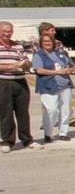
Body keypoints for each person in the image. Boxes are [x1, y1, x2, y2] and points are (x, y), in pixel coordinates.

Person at [0, 20, 38, 151]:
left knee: (23, 112)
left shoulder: (18, 46)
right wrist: (11, 66)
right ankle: (7, 141)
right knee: (6, 112)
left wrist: (26, 64)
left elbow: (26, 61)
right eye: (4, 31)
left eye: (9, 31)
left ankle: (27, 140)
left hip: (20, 81)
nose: (7, 34)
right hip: (3, 82)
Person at [32, 33, 74, 143]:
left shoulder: (60, 54)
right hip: (48, 85)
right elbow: (39, 70)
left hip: (65, 85)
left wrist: (68, 70)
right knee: (51, 110)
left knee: (65, 110)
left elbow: (71, 66)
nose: (47, 43)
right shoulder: (38, 55)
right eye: (45, 41)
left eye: (49, 41)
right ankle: (48, 132)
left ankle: (63, 132)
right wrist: (56, 72)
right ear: (41, 43)